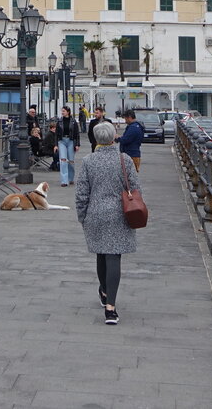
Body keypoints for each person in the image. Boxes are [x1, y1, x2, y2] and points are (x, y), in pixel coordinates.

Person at [76, 121, 140, 325]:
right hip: (119, 213)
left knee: (101, 253)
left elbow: (82, 193)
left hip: (95, 212)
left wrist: (82, 216)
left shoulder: (88, 161)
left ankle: (104, 290)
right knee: (114, 256)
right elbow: (136, 187)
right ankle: (111, 307)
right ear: (113, 138)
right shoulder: (125, 160)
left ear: (95, 139)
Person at [56, 105, 81, 186]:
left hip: (71, 141)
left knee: (71, 161)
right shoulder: (59, 121)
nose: (62, 112)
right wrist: (56, 144)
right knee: (63, 160)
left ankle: (70, 178)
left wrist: (77, 144)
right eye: (62, 111)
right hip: (62, 141)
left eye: (64, 111)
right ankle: (64, 181)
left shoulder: (73, 122)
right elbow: (56, 134)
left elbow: (77, 134)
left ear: (68, 112)